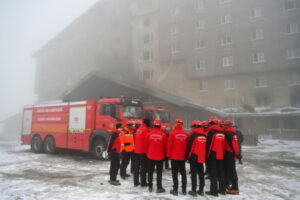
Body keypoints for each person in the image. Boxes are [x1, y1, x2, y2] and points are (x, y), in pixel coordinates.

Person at [145, 119, 167, 193]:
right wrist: (165, 155)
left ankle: (150, 186)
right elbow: (165, 147)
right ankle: (159, 187)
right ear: (160, 125)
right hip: (160, 157)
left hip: (150, 156)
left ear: (153, 125)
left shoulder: (149, 134)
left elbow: (146, 146)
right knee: (159, 173)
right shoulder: (163, 135)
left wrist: (147, 153)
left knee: (150, 172)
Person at [167, 118, 189, 196]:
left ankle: (175, 189)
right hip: (182, 157)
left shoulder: (172, 134)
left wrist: (168, 155)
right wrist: (186, 156)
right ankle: (184, 190)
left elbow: (169, 146)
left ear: (175, 124)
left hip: (174, 157)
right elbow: (187, 146)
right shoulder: (186, 134)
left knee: (175, 174)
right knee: (183, 173)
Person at [205, 117, 226, 197]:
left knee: (213, 173)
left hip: (213, 154)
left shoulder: (211, 132)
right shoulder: (222, 132)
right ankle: (222, 190)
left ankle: (214, 191)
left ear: (210, 123)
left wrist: (207, 156)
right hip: (220, 154)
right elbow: (223, 144)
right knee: (221, 172)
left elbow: (209, 145)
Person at [186, 120, 206, 196]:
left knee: (193, 174)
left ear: (194, 126)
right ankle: (201, 190)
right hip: (201, 157)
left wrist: (188, 157)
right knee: (201, 174)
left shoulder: (193, 135)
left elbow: (191, 147)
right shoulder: (204, 135)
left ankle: (193, 190)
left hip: (194, 156)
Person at [223, 120, 240, 195]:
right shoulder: (232, 133)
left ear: (228, 126)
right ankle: (233, 186)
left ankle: (235, 189)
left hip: (230, 154)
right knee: (231, 171)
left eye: (225, 125)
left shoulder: (229, 133)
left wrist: (237, 154)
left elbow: (234, 145)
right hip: (230, 154)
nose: (224, 126)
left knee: (232, 172)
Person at [133, 118, 151, 187]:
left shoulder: (139, 129)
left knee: (136, 168)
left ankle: (136, 182)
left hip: (136, 151)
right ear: (147, 123)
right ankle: (143, 183)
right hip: (143, 152)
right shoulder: (145, 130)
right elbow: (147, 142)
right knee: (143, 168)